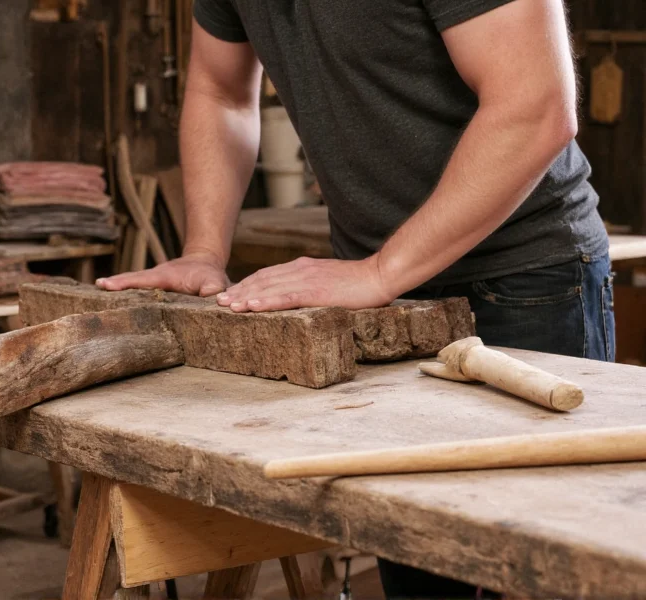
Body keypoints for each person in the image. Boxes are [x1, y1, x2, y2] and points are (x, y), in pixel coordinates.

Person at [97, 1, 615, 595]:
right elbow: (221, 91)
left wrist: (379, 272)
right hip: (385, 296)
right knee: (419, 564)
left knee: (549, 569)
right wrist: (204, 251)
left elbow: (536, 104)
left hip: (524, 276)